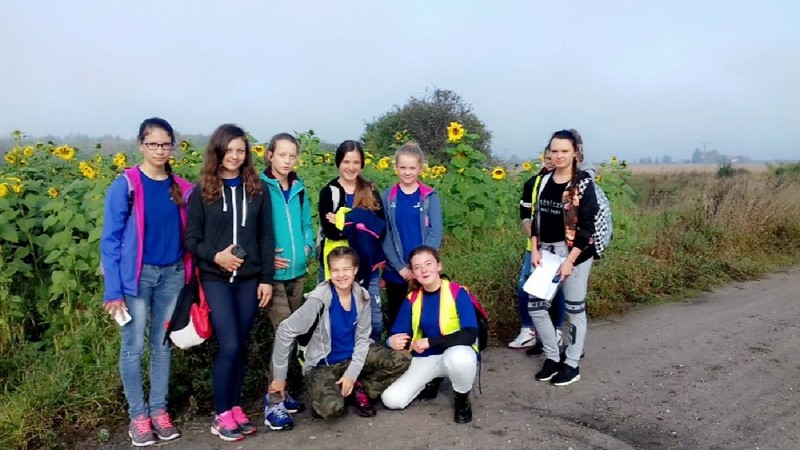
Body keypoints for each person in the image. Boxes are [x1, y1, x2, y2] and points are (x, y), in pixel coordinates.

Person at [100, 117, 192, 446]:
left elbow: (193, 233)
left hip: (172, 276)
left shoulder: (182, 188)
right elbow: (110, 240)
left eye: (166, 144)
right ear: (141, 145)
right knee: (133, 347)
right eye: (153, 144)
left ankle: (159, 411)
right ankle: (138, 417)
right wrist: (113, 291)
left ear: (173, 147)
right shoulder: (126, 185)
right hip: (136, 279)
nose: (159, 150)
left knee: (162, 346)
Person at [185, 124, 275, 442]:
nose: (235, 156)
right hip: (216, 279)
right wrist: (217, 257)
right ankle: (221, 413)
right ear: (217, 151)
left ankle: (235, 407)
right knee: (231, 344)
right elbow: (192, 239)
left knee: (241, 345)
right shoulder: (203, 191)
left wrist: (266, 279)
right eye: (229, 150)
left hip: (249, 280)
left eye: (241, 150)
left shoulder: (257, 189)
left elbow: (266, 236)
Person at [269, 247, 410, 420]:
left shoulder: (362, 296)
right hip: (324, 366)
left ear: (355, 270)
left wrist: (351, 375)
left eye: (346, 269)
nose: (341, 275)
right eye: (335, 270)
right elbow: (285, 331)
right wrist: (279, 377)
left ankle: (359, 388)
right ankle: (331, 395)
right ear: (329, 272)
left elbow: (362, 339)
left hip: (351, 357)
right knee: (332, 410)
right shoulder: (319, 299)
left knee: (402, 359)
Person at [529, 129, 598, 386]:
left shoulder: (584, 184)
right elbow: (536, 217)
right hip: (546, 252)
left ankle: (571, 363)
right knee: (536, 306)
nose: (559, 156)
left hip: (574, 253)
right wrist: (534, 248)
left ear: (575, 153)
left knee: (574, 309)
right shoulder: (544, 180)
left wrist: (570, 261)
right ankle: (553, 356)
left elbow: (587, 228)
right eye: (554, 151)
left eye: (564, 151)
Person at [382, 245, 479, 424]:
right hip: (427, 357)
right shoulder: (412, 298)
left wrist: (431, 342)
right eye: (417, 267)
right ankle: (433, 379)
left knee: (459, 359)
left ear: (439, 266)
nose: (424, 270)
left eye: (428, 264)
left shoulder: (457, 292)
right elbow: (397, 332)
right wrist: (391, 341)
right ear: (413, 273)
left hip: (456, 352)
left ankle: (462, 398)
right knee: (392, 400)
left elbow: (470, 334)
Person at [258, 132, 312, 425]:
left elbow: (307, 224)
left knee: (290, 334)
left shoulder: (299, 189)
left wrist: (306, 248)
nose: (287, 161)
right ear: (270, 155)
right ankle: (273, 401)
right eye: (282, 155)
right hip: (272, 276)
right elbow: (250, 228)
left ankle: (282, 389)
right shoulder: (258, 187)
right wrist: (265, 258)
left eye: (292, 156)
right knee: (284, 333)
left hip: (297, 272)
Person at [317, 140, 385, 341]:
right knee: (335, 317)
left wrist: (344, 219)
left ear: (362, 164)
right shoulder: (329, 191)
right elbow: (331, 232)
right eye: (346, 162)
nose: (351, 167)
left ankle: (372, 356)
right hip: (336, 266)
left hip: (367, 264)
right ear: (338, 162)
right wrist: (362, 223)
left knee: (375, 320)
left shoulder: (370, 190)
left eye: (356, 162)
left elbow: (380, 227)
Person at [381, 142, 443, 331]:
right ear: (396, 168)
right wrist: (400, 267)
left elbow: (435, 231)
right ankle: (396, 346)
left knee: (425, 314)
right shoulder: (387, 197)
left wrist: (421, 266)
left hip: (424, 270)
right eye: (403, 167)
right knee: (398, 316)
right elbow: (385, 234)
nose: (407, 172)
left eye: (412, 168)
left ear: (420, 168)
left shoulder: (429, 197)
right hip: (396, 270)